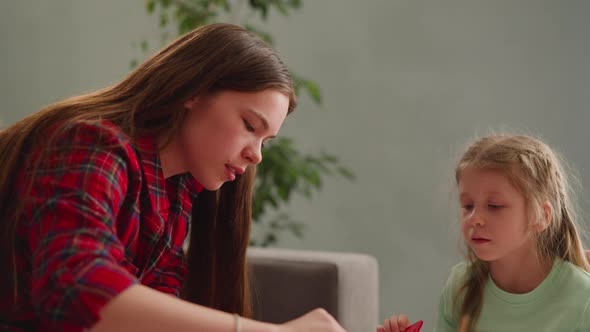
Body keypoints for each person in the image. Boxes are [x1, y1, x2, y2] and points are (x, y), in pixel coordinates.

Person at [0, 23, 346, 332]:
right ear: (194, 92)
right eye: (249, 126)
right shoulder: (91, 144)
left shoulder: (174, 194)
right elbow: (76, 287)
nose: (256, 155)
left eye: (265, 141)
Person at [378, 134, 590, 332]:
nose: (474, 219)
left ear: (542, 216)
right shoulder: (460, 285)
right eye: (468, 206)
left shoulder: (583, 297)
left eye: (494, 206)